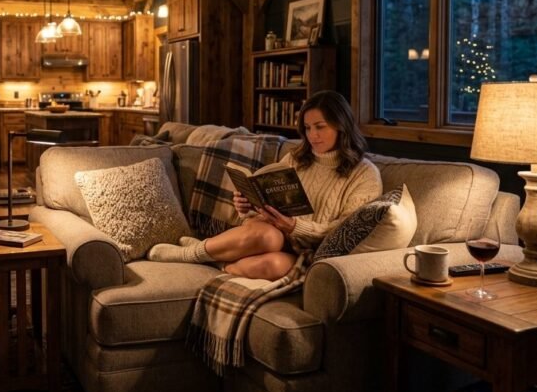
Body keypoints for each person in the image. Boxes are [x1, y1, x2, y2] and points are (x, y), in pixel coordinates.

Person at [148, 91, 382, 280]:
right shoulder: (297, 159)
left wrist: (295, 227)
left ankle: (216, 260)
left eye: (320, 127)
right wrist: (247, 205)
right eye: (308, 128)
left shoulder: (363, 174)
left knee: (274, 265)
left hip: (309, 252)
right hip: (272, 235)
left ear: (341, 126)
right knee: (270, 236)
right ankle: (188, 255)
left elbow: (344, 232)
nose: (312, 136)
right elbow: (267, 206)